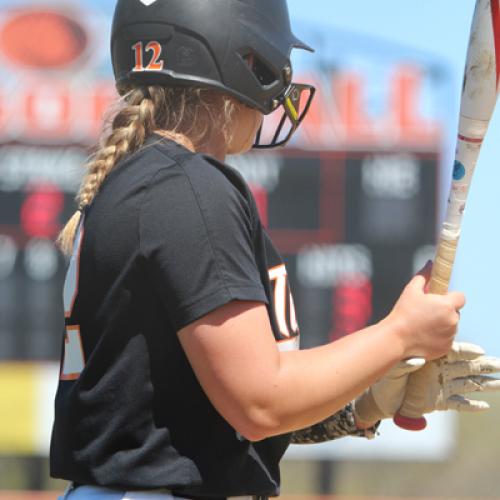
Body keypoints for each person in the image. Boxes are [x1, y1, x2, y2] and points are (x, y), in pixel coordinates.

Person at [50, 1, 500, 499]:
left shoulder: (150, 186)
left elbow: (224, 422)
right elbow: (261, 404)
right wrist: (400, 334)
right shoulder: (189, 191)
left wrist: (366, 402)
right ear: (242, 55)